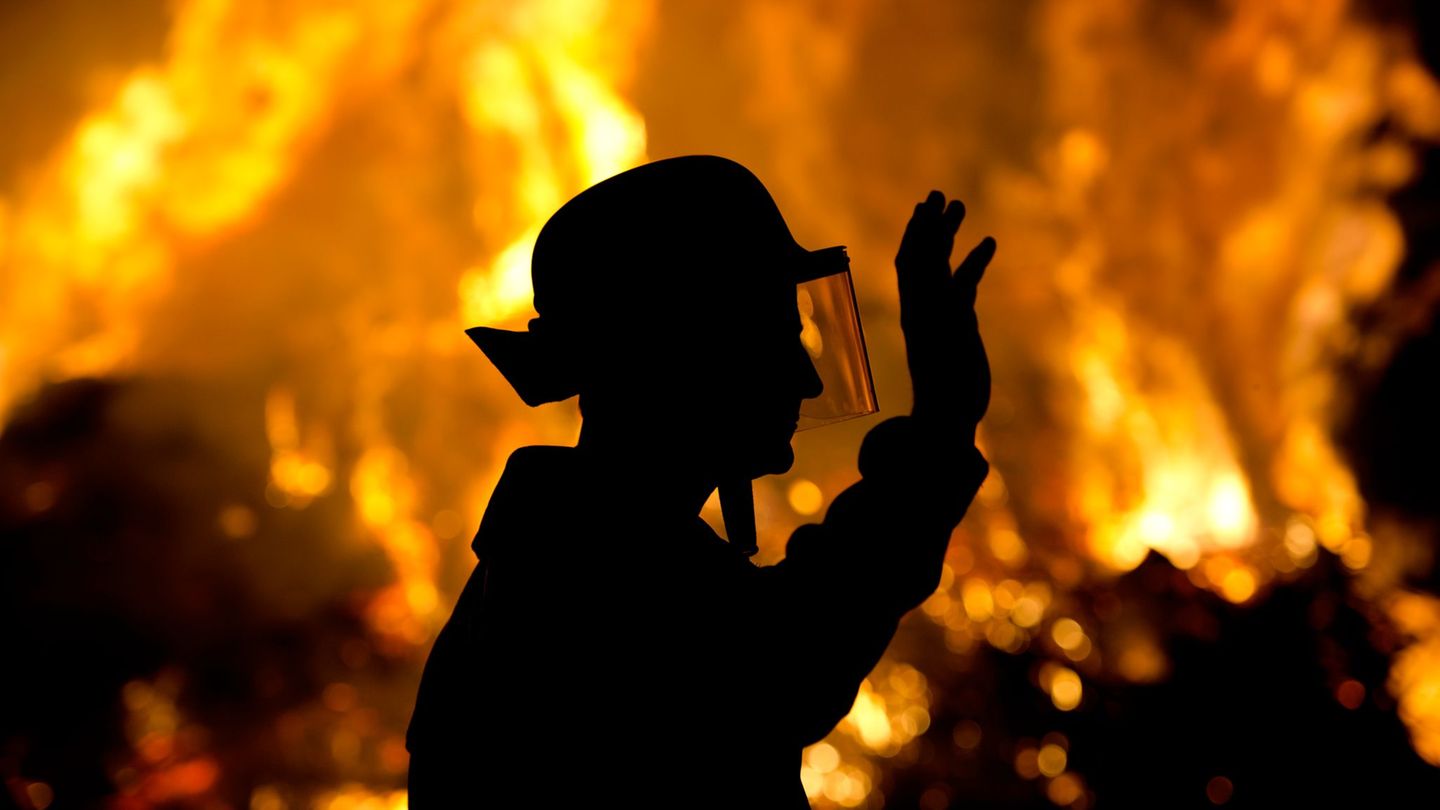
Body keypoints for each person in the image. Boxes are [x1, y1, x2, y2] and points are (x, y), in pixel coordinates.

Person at [405, 155, 995, 807]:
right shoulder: (591, 575)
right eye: (778, 339)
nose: (808, 379)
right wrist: (944, 416)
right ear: (686, 353)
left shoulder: (561, 548)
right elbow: (789, 656)